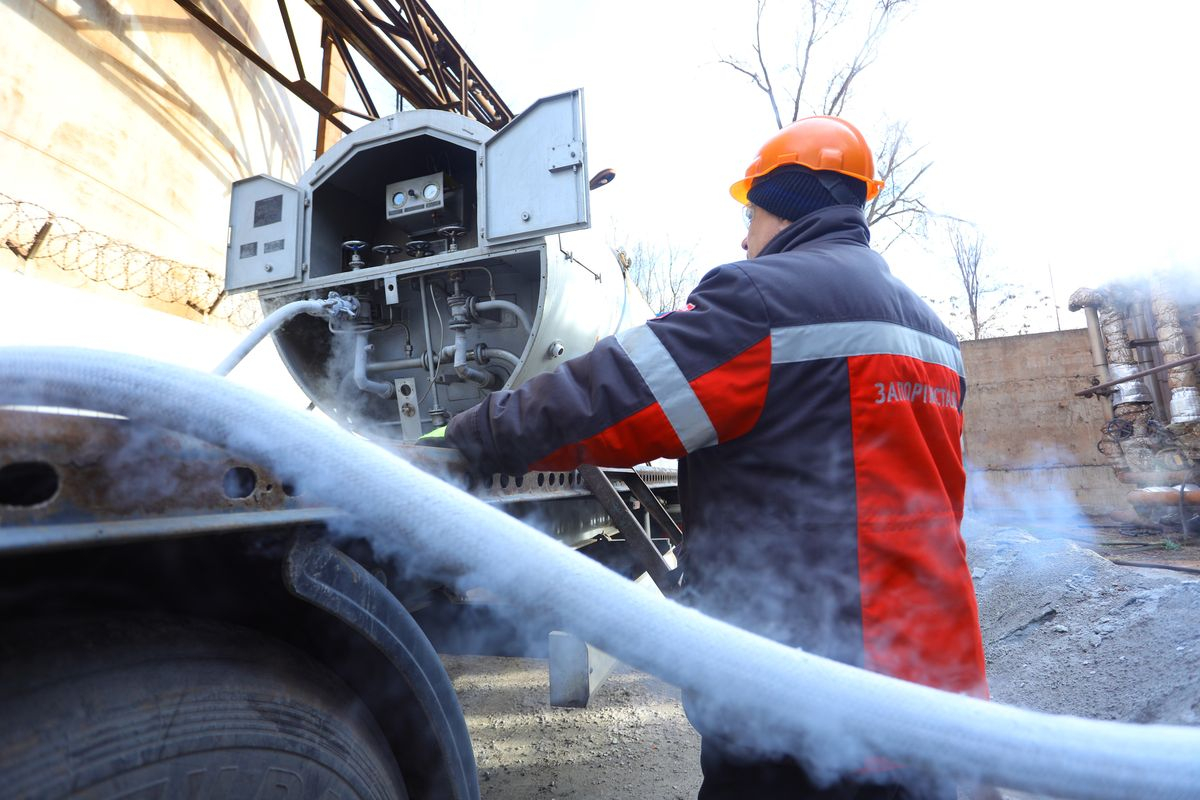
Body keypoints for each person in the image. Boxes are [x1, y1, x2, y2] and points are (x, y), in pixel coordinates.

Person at [445, 116, 988, 799]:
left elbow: (611, 399)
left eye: (753, 213)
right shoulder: (934, 334)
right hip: (935, 692)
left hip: (799, 696)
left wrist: (469, 438)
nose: (744, 235)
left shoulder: (762, 302)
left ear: (787, 207)